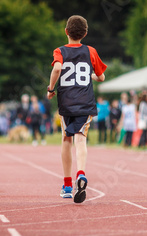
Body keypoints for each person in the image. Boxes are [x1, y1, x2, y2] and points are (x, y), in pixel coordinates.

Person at [47, 15, 106, 203]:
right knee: (81, 140)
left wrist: (50, 88)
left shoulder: (60, 51)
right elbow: (101, 77)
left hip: (67, 104)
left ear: (66, 32)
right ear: (85, 33)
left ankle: (66, 185)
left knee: (66, 139)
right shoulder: (90, 51)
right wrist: (92, 76)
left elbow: (57, 69)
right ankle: (81, 173)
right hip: (85, 103)